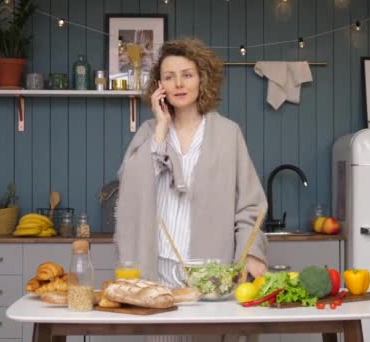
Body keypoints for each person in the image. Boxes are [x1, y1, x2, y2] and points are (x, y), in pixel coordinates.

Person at [114, 39, 268, 341]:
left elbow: (251, 204)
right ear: (160, 86)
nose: (179, 83)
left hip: (211, 275)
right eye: (169, 77)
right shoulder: (149, 132)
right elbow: (129, 188)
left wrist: (251, 252)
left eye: (187, 74)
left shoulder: (228, 134)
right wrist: (160, 128)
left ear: (202, 79)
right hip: (157, 271)